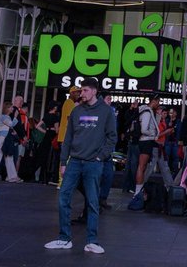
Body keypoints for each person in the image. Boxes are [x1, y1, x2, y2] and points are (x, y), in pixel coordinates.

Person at [44, 78, 116, 255]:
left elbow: (112, 137)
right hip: (74, 161)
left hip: (93, 163)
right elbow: (68, 138)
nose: (80, 94)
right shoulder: (76, 111)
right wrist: (63, 162)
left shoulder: (106, 111)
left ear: (93, 91)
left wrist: (100, 157)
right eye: (81, 91)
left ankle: (92, 241)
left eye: (84, 91)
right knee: (63, 198)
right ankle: (64, 238)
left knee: (92, 202)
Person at [128, 93, 161, 207]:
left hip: (145, 141)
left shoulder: (147, 111)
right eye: (158, 101)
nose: (159, 104)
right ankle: (137, 191)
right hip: (146, 141)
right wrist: (153, 135)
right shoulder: (147, 112)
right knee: (141, 167)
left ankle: (138, 190)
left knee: (142, 167)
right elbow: (144, 129)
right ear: (154, 101)